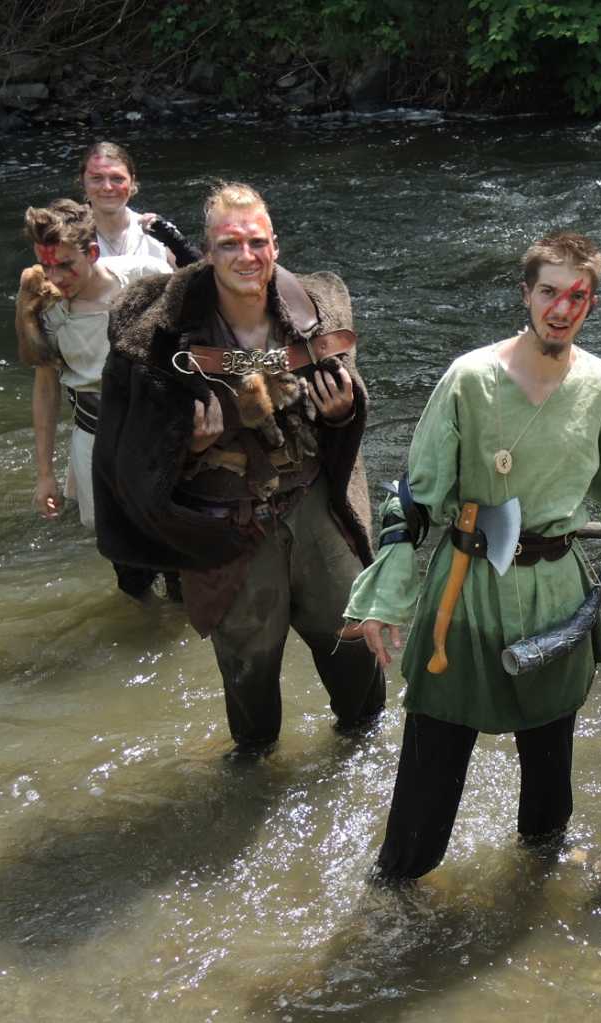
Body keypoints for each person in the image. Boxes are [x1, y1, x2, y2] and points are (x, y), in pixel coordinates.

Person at [344, 231, 601, 884]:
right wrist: (385, 594)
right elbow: (416, 498)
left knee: (549, 756)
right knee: (433, 752)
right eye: (549, 291)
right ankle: (397, 887)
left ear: (590, 303)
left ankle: (537, 871)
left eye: (577, 295)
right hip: (467, 591)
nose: (561, 308)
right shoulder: (469, 379)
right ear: (525, 293)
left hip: (556, 598)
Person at [93, 181, 385, 756]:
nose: (245, 256)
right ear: (207, 250)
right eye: (229, 244)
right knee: (249, 669)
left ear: (274, 245)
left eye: (256, 242)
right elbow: (131, 451)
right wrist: (188, 446)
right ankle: (255, 771)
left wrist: (343, 410)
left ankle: (363, 751)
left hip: (314, 506)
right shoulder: (156, 332)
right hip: (227, 528)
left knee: (352, 647)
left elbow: (346, 417)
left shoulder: (317, 308)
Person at [13, 199, 170, 537]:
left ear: (93, 254)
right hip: (94, 435)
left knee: (167, 525)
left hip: (155, 427)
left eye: (65, 265)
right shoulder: (48, 309)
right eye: (45, 266)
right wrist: (45, 475)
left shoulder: (146, 276)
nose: (54, 278)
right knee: (110, 533)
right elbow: (45, 387)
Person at [77, 141, 179, 267]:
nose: (107, 187)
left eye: (117, 178)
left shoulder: (160, 233)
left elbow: (197, 278)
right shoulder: (69, 237)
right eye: (97, 178)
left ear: (132, 182)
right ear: (83, 182)